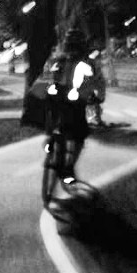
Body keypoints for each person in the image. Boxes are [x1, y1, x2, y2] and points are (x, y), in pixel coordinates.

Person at [34, 27, 98, 182]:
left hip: (65, 99)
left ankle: (52, 142)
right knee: (78, 134)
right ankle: (66, 165)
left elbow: (91, 82)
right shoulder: (82, 62)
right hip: (67, 100)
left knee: (66, 126)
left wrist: (89, 95)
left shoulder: (61, 60)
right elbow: (91, 81)